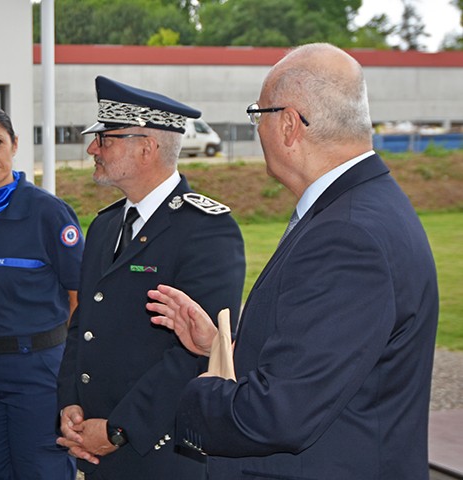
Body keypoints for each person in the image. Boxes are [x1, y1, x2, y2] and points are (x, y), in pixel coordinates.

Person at [146, 43, 439, 479]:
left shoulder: (348, 234)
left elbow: (279, 414)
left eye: (256, 115)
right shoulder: (356, 209)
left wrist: (196, 397)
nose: (256, 129)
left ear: (287, 124)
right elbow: (325, 360)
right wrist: (220, 350)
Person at [56, 76, 246, 479]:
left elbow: (198, 353)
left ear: (146, 147)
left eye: (105, 139)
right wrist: (71, 404)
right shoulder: (106, 226)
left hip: (159, 453)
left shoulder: (207, 230)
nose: (93, 148)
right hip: (96, 444)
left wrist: (119, 429)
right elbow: (82, 326)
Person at [0, 103, 83, 479]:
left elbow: (80, 299)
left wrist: (71, 375)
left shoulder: (50, 213)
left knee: (42, 470)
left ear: (15, 144)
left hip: (37, 370)